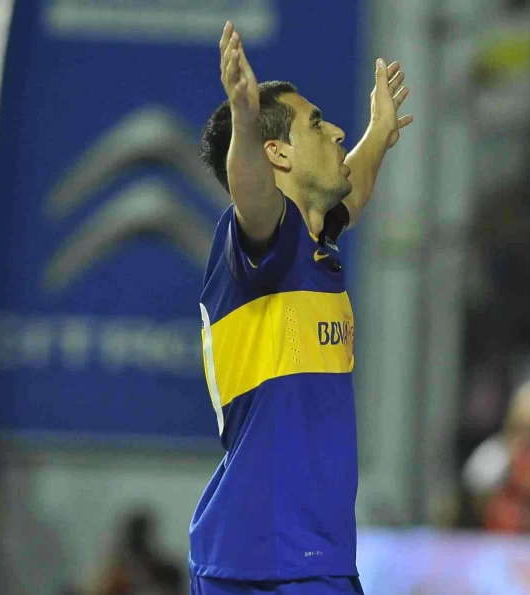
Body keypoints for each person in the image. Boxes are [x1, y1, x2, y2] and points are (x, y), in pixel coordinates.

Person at [189, 21, 413, 595]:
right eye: (316, 123)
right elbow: (253, 193)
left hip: (289, 555)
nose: (336, 131)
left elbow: (351, 194)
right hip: (276, 561)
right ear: (277, 153)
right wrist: (244, 119)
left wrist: (380, 133)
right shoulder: (262, 239)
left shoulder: (312, 244)